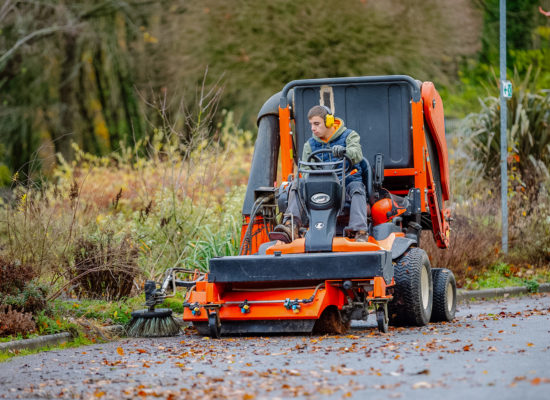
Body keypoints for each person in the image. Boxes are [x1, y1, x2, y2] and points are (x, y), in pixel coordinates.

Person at [273, 105, 369, 242]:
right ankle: (291, 225)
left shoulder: (349, 136)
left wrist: (344, 151)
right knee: (297, 184)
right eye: (311, 124)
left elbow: (357, 154)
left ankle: (359, 231)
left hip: (346, 184)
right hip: (320, 189)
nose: (313, 128)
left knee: (357, 189)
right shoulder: (310, 145)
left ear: (329, 122)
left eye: (316, 124)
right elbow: (306, 171)